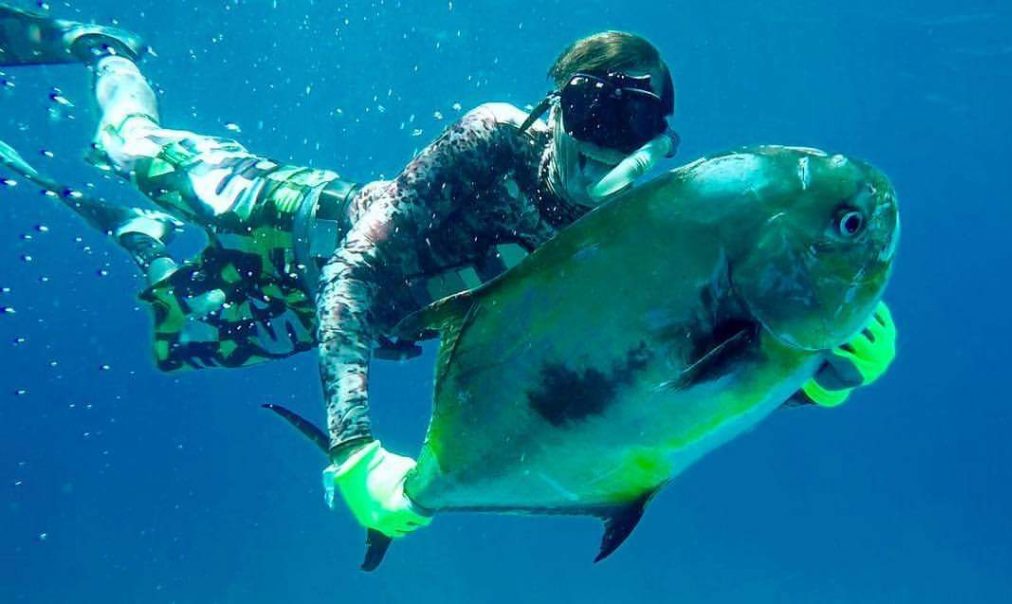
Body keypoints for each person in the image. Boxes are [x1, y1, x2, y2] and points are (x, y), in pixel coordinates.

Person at [0, 5, 896, 539]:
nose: (594, 150)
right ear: (552, 102)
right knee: (135, 154)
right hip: (304, 230)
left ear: (658, 146)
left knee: (181, 333)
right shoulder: (490, 141)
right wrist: (352, 445)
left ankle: (140, 238)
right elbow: (353, 271)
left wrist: (826, 374)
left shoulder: (646, 230)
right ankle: (102, 52)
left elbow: (674, 382)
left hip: (359, 332)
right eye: (584, 110)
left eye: (628, 134)